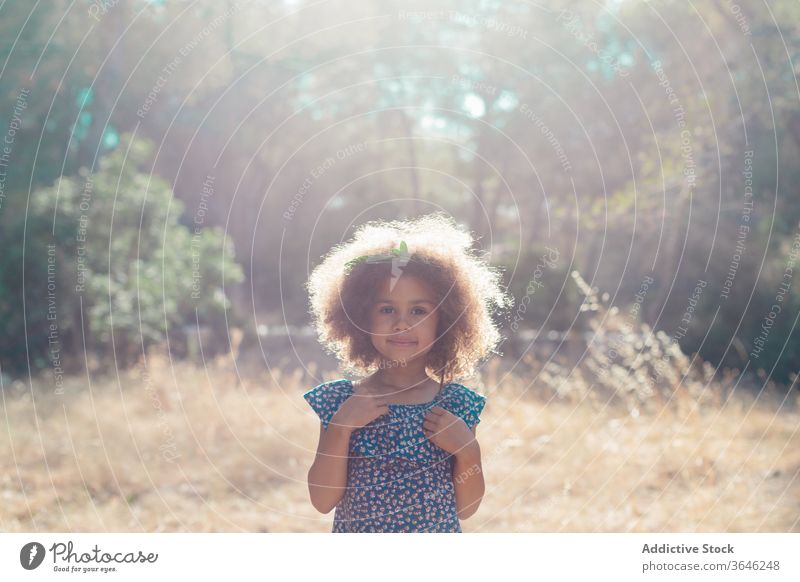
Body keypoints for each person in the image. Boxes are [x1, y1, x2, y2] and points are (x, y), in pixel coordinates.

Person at [302, 212, 511, 532]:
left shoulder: (454, 405)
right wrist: (341, 427)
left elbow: (466, 509)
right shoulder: (343, 401)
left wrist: (469, 452)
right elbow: (322, 500)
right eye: (387, 309)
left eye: (418, 310)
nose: (402, 323)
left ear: (447, 320)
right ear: (359, 317)